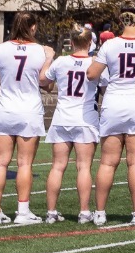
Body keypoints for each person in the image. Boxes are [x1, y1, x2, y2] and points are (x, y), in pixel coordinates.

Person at [89, 9, 135, 226]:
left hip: (114, 102)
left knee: (107, 162)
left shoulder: (110, 44)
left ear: (121, 19)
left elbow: (92, 74)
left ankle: (100, 213)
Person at [0, 12, 52, 225]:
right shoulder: (40, 50)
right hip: (29, 111)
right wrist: (49, 59)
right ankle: (22, 212)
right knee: (24, 164)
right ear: (32, 27)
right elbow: (46, 83)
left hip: (5, 109)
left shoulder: (1, 48)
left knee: (0, 162)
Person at [41, 26, 100, 224]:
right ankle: (84, 212)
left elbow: (43, 81)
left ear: (72, 43)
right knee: (84, 167)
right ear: (90, 43)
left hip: (62, 118)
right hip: (85, 119)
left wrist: (48, 59)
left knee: (57, 167)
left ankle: (51, 212)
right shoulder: (94, 63)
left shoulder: (61, 61)